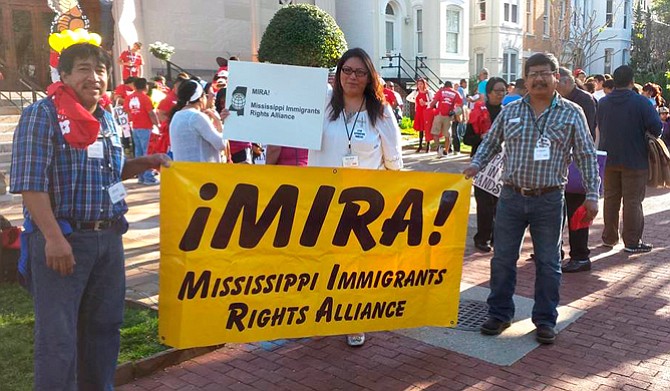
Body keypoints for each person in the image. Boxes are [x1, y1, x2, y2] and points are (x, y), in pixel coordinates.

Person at [9, 42, 170, 390]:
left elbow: (106, 172)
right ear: (64, 75)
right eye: (83, 69)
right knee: (59, 338)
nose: (94, 77)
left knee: (104, 329)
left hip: (108, 240)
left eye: (100, 70)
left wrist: (144, 163)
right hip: (63, 241)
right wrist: (53, 238)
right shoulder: (43, 115)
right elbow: (30, 183)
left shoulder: (106, 117)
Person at [463, 52, 600, 344]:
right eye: (532, 73)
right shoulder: (511, 111)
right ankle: (499, 314)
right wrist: (476, 164)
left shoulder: (572, 112)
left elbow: (587, 155)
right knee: (502, 259)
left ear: (556, 77)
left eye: (544, 73)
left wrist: (592, 194)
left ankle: (545, 320)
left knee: (549, 263)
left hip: (549, 200)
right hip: (511, 197)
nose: (538, 78)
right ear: (525, 79)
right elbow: (490, 142)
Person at [308, 47, 403, 347]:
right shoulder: (320, 104)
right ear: (338, 74)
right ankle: (323, 313)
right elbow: (279, 115)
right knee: (323, 262)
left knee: (355, 268)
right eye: (346, 70)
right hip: (322, 201)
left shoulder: (381, 112)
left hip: (362, 207)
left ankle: (354, 320)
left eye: (360, 72)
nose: (352, 77)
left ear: (369, 77)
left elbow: (394, 163)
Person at [597, 65, 662, 253]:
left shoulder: (604, 103)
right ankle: (632, 241)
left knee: (610, 199)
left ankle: (609, 238)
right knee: (632, 201)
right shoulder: (641, 102)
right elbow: (656, 128)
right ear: (632, 81)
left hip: (609, 157)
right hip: (635, 158)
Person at [556, 67, 599, 273]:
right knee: (559, 211)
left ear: (564, 81)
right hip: (562, 164)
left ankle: (580, 255)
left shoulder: (582, 101)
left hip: (577, 164)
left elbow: (586, 135)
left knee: (577, 211)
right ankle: (556, 250)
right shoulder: (561, 101)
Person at [468, 77, 507, 252]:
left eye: (503, 90)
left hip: (502, 163)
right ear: (489, 92)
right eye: (497, 90)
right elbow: (467, 138)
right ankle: (482, 237)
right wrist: (482, 138)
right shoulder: (478, 111)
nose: (500, 94)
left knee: (500, 204)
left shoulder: (508, 112)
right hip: (481, 163)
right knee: (484, 204)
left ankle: (496, 238)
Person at [169, 79, 229, 162]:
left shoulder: (176, 116)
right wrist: (218, 121)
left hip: (183, 171)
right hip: (201, 172)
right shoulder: (196, 116)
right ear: (201, 98)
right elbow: (221, 144)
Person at [123, 77, 161, 185]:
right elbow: (151, 113)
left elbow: (126, 110)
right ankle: (148, 177)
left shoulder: (129, 98)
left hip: (135, 127)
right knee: (147, 152)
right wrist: (157, 124)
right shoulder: (145, 98)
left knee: (138, 152)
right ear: (145, 86)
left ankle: (141, 177)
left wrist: (133, 119)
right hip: (145, 127)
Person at [430, 81, 463, 154]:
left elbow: (434, 102)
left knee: (435, 133)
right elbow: (461, 103)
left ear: (444, 86)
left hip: (439, 114)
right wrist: (455, 111)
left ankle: (439, 147)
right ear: (451, 86)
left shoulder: (441, 91)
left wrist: (430, 107)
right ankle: (446, 151)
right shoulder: (455, 93)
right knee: (447, 135)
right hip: (448, 115)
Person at [413, 78, 432, 153]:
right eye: (418, 84)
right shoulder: (416, 92)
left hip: (426, 111)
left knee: (427, 129)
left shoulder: (428, 92)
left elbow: (432, 102)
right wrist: (416, 110)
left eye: (421, 84)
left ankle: (428, 145)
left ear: (424, 84)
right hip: (419, 112)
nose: (420, 86)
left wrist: (425, 103)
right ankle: (420, 145)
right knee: (420, 129)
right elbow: (414, 101)